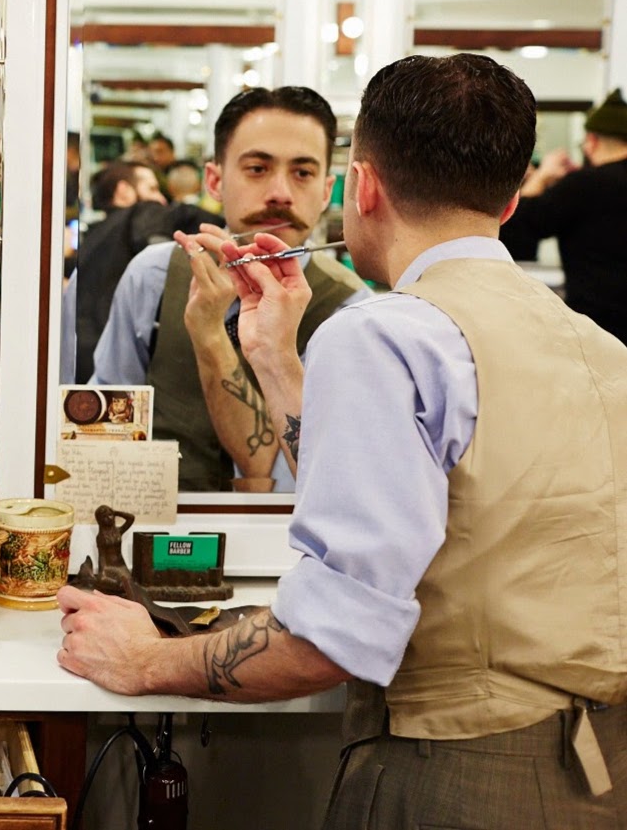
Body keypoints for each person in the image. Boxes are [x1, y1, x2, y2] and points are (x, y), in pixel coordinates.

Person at [57, 53, 627, 827]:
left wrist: (145, 658)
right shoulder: (596, 345)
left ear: (357, 186)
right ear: (513, 192)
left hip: (451, 777)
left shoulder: (382, 332)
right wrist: (273, 357)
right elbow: (434, 483)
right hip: (597, 773)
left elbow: (327, 642)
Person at [89, 86, 368, 491]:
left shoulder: (347, 307)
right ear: (215, 180)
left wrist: (211, 336)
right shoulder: (154, 275)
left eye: (302, 173)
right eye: (257, 168)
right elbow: (104, 429)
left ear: (326, 191)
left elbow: (302, 476)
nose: (280, 193)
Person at [62, 163, 224, 383]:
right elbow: (155, 239)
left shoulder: (92, 240)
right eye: (152, 189)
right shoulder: (144, 212)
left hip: (79, 372)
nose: (162, 201)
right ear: (124, 192)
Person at [500, 87, 627, 344]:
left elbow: (515, 230)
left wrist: (542, 178)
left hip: (601, 331)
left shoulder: (583, 185)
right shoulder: (583, 185)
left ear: (591, 141)